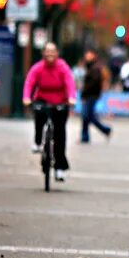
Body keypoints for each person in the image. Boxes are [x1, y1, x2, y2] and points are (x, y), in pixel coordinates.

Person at [22, 42, 77, 182]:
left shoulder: (63, 68)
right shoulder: (38, 68)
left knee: (59, 134)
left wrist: (71, 98)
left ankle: (59, 168)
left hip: (60, 101)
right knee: (39, 114)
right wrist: (26, 97)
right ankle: (37, 141)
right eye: (47, 51)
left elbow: (69, 83)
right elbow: (30, 82)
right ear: (43, 53)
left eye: (53, 51)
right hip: (43, 99)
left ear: (57, 53)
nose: (50, 54)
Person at [80, 49, 112, 143]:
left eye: (89, 55)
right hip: (89, 95)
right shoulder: (89, 67)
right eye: (86, 55)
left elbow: (93, 83)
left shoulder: (95, 68)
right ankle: (85, 136)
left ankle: (104, 129)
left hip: (91, 95)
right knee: (86, 116)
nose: (87, 57)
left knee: (87, 116)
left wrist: (84, 93)